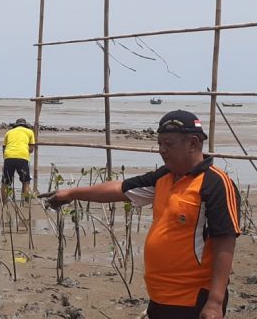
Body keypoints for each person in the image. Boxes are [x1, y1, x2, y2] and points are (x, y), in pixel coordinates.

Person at [42, 110, 240, 319]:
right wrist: (72, 193)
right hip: (159, 296)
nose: (161, 150)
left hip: (193, 299)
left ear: (192, 143)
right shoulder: (164, 177)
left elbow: (225, 242)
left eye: (168, 144)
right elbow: (120, 189)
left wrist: (215, 303)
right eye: (159, 144)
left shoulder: (215, 184)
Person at [1, 118, 36, 202]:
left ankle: (3, 202)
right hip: (22, 157)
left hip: (8, 156)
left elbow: (4, 148)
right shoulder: (30, 132)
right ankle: (26, 201)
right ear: (25, 125)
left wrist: (7, 157)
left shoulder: (9, 132)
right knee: (26, 181)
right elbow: (31, 149)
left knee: (6, 182)